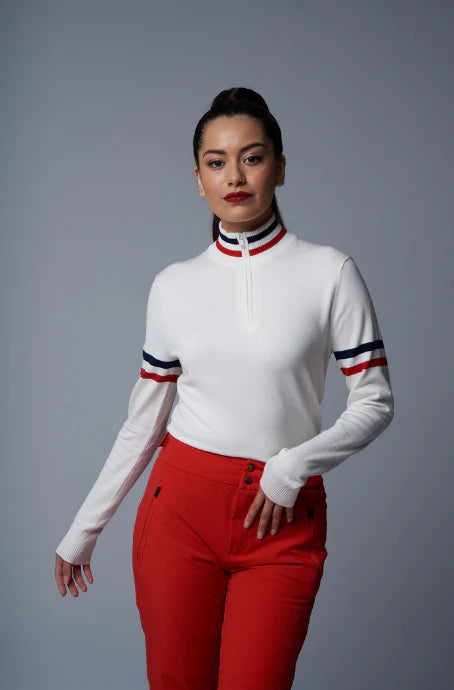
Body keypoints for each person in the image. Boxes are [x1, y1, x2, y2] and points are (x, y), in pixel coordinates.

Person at [54, 86, 394, 689]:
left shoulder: (330, 272)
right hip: (180, 513)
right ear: (199, 179)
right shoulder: (173, 286)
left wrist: (293, 466)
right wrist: (85, 528)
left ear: (280, 168)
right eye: (216, 162)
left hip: (280, 516)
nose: (234, 176)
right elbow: (145, 421)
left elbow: (375, 402)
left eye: (252, 158)